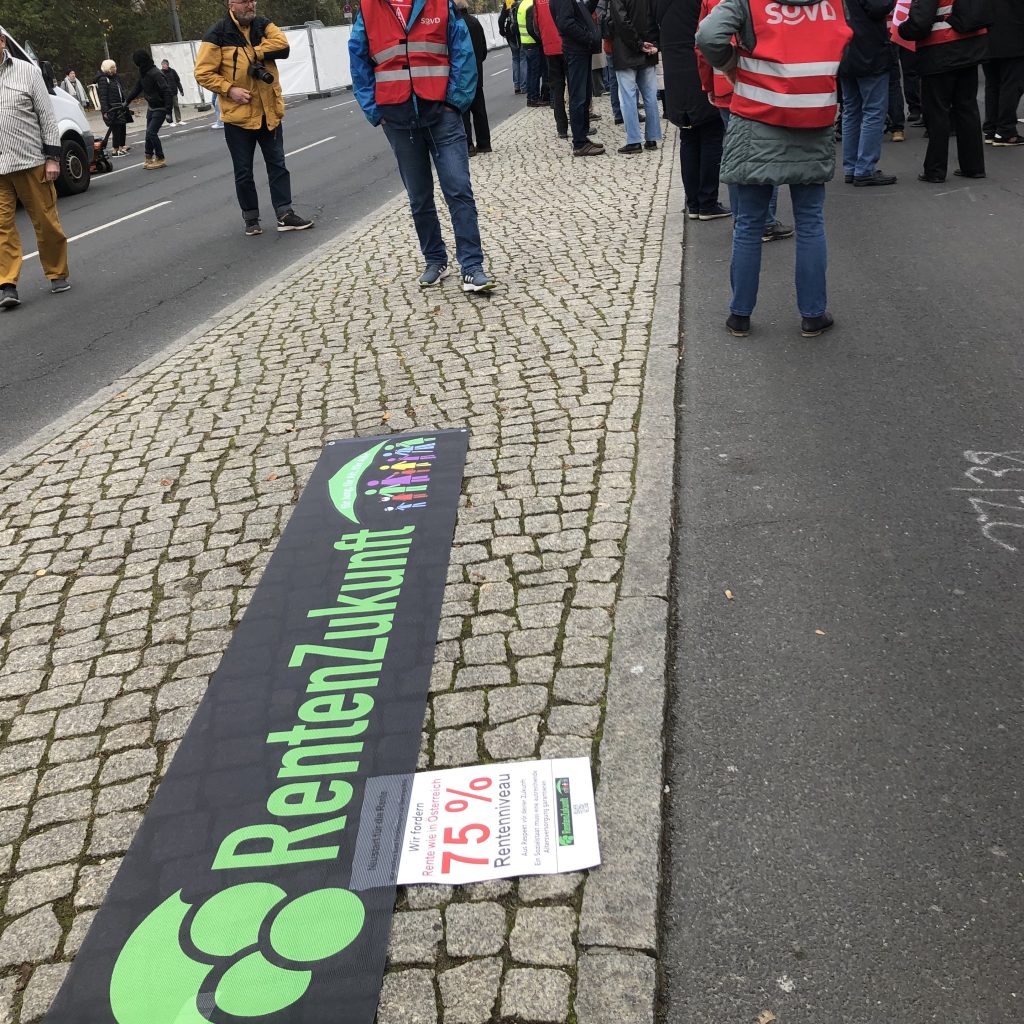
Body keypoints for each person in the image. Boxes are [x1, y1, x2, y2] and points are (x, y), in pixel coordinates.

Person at [696, 0, 852, 338]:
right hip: (813, 117)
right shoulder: (833, 2)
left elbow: (707, 34)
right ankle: (812, 315)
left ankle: (740, 315)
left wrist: (731, 67)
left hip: (755, 117)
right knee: (810, 220)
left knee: (749, 223)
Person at [349, 0, 495, 292]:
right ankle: (435, 259)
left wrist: (455, 104)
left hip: (442, 115)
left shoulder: (441, 4)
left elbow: (463, 54)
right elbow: (358, 60)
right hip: (398, 118)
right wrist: (375, 111)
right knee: (419, 196)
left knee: (458, 189)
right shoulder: (367, 9)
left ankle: (471, 265)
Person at [195, 0, 314, 235]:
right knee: (243, 171)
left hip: (268, 112)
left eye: (253, 0)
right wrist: (230, 89)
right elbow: (202, 72)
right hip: (238, 117)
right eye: (245, 1)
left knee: (278, 165)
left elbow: (283, 45)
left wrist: (254, 53)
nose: (251, 5)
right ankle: (251, 219)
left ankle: (285, 214)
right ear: (232, 4)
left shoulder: (263, 25)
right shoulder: (218, 33)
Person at [694, 0, 792, 237]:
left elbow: (702, 45)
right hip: (758, 82)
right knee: (766, 151)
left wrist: (708, 84)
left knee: (734, 152)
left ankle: (742, 219)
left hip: (724, 85)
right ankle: (764, 221)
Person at [0, 26, 71, 309]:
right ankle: (7, 284)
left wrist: (53, 158)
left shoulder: (27, 72)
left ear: (2, 41)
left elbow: (46, 116)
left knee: (45, 222)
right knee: (2, 227)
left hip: (31, 161)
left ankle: (56, 273)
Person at [899, 0, 987, 182]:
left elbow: (920, 22)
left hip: (939, 50)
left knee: (937, 112)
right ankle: (974, 167)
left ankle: (935, 170)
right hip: (970, 47)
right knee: (967, 108)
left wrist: (902, 30)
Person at [840, 0, 898, 186]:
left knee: (851, 110)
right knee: (873, 110)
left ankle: (851, 166)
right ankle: (864, 167)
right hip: (868, 50)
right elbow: (877, 7)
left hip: (844, 49)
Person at [609, 0, 663, 153]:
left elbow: (621, 21)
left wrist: (638, 44)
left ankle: (634, 141)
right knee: (650, 96)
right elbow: (656, 17)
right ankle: (652, 138)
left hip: (626, 50)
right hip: (648, 48)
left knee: (628, 97)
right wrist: (654, 43)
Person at [552, 0, 606, 155]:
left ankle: (583, 137)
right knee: (578, 97)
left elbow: (582, 12)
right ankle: (579, 143)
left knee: (584, 96)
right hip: (576, 50)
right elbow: (565, 23)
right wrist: (588, 37)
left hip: (581, 50)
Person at [982, 0, 1024, 146]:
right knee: (1012, 84)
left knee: (993, 85)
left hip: (987, 37)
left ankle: (991, 130)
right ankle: (1006, 131)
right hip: (1014, 37)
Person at [125, 50, 173, 170]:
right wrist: (127, 101)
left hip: (160, 107)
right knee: (148, 133)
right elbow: (137, 88)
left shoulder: (156, 73)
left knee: (152, 132)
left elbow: (167, 92)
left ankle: (160, 158)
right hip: (152, 107)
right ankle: (148, 156)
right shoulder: (144, 73)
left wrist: (168, 111)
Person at [457, 0, 492, 153]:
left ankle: (468, 145)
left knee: (463, 112)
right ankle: (484, 144)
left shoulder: (455, 25)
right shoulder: (475, 22)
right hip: (477, 73)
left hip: (461, 76)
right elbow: (484, 49)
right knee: (480, 111)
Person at [537, 0, 570, 137]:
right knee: (574, 87)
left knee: (557, 89)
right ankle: (579, 125)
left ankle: (561, 129)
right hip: (567, 44)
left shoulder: (537, 2)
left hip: (549, 47)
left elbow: (535, 24)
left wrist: (544, 40)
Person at [96, 59, 132, 156]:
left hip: (120, 106)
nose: (115, 69)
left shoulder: (115, 78)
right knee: (116, 128)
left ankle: (121, 146)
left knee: (122, 126)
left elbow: (121, 91)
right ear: (108, 69)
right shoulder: (103, 79)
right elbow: (103, 97)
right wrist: (105, 111)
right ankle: (115, 149)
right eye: (113, 67)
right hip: (112, 107)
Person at [518, 0, 545, 105]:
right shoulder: (530, 5)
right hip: (533, 43)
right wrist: (540, 40)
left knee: (531, 73)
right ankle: (534, 98)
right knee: (535, 73)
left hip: (525, 43)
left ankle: (530, 97)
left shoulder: (522, 4)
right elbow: (531, 27)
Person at [500, 0, 527, 93]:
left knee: (515, 59)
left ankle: (516, 85)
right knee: (523, 59)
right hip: (521, 34)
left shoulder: (508, 3)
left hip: (511, 35)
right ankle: (524, 86)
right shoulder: (522, 2)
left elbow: (501, 20)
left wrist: (502, 32)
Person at [161, 59, 185, 124]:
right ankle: (170, 122)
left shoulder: (173, 71)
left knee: (176, 106)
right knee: (169, 108)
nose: (163, 66)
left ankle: (179, 120)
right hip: (166, 94)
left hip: (174, 92)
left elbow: (178, 81)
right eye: (162, 65)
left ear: (167, 65)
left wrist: (181, 90)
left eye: (164, 65)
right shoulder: (161, 73)